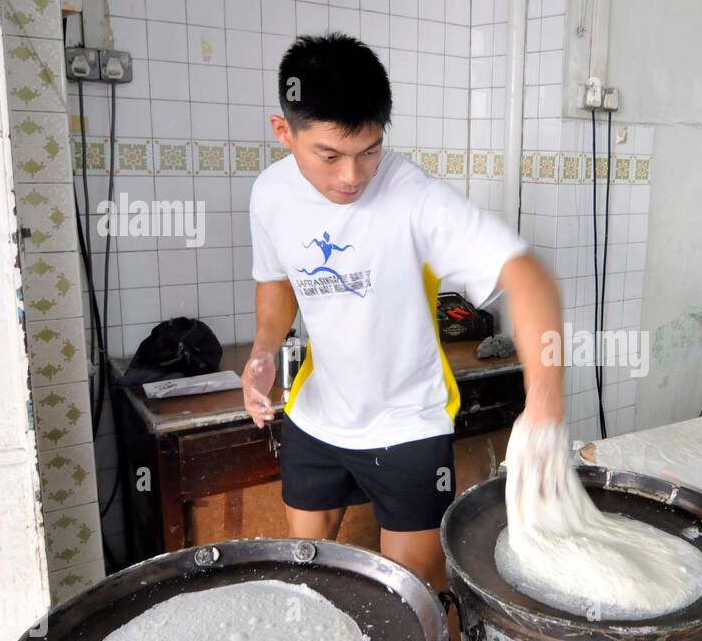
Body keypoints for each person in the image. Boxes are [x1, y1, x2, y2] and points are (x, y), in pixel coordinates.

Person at [240, 33, 564, 599]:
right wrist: (263, 352)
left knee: (416, 599)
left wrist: (545, 406)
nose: (352, 176)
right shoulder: (270, 195)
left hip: (408, 426)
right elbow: (277, 283)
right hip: (315, 419)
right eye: (330, 155)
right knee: (308, 585)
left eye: (369, 150)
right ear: (283, 131)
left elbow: (528, 276)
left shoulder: (414, 197)